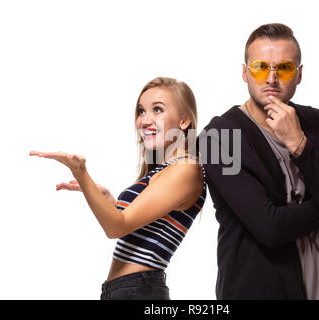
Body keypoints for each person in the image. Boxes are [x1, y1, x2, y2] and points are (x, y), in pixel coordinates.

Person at [198, 23, 319, 299]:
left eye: (283, 68)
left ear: (299, 74)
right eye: (260, 67)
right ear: (245, 73)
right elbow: (270, 227)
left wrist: (299, 144)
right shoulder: (218, 137)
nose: (271, 78)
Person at [30, 77, 206, 300]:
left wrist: (81, 173)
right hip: (125, 290)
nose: (145, 120)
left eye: (157, 110)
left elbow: (116, 228)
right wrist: (110, 201)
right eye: (141, 111)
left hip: (139, 291)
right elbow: (136, 224)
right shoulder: (165, 169)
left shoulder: (186, 169)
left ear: (184, 121)